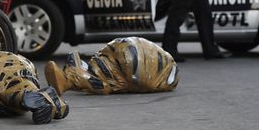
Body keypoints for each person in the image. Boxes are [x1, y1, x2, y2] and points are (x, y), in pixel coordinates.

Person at [44, 37, 179, 96]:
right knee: (105, 70)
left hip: (136, 61)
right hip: (133, 56)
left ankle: (69, 80)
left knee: (105, 78)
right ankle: (71, 78)